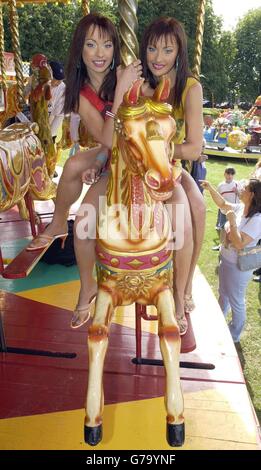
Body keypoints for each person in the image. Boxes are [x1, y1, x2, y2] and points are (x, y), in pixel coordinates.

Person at [26, 13, 142, 328]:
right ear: (80, 50)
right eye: (91, 44)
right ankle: (83, 275)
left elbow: (127, 133)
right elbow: (106, 139)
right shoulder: (81, 92)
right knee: (77, 169)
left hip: (139, 161)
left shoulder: (126, 76)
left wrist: (125, 88)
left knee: (81, 181)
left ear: (115, 48)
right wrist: (101, 162)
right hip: (114, 156)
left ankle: (179, 289)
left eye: (106, 44)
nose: (100, 52)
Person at [140, 17, 206, 334]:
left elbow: (193, 148)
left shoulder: (189, 88)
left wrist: (161, 150)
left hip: (171, 167)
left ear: (179, 51)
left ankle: (183, 289)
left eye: (167, 49)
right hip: (140, 169)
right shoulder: (140, 85)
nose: (158, 57)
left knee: (196, 210)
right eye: (152, 48)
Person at [200, 178, 261, 343]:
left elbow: (240, 243)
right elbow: (223, 204)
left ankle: (234, 335)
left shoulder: (257, 220)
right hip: (227, 260)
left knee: (236, 299)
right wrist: (210, 188)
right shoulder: (242, 207)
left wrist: (232, 222)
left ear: (252, 194)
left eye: (244, 188)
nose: (239, 188)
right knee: (224, 294)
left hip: (238, 266)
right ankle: (219, 321)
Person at [213, 166, 241, 250]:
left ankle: (232, 245)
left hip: (234, 210)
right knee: (222, 228)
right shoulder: (221, 186)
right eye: (228, 173)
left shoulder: (237, 184)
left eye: (232, 174)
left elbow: (242, 196)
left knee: (234, 227)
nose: (230, 175)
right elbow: (218, 198)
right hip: (224, 210)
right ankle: (221, 246)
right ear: (224, 174)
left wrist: (237, 191)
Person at [48, 61, 66, 143]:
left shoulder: (62, 88)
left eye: (61, 80)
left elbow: (59, 115)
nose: (59, 83)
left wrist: (51, 134)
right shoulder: (40, 83)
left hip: (51, 117)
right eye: (57, 80)